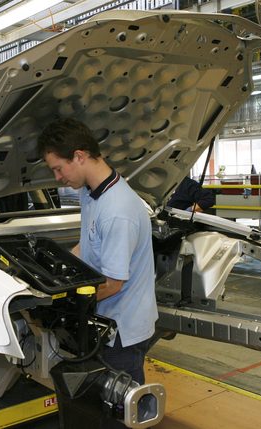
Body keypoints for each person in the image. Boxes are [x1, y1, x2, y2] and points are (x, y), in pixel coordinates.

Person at [37, 118, 158, 384]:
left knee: (117, 408)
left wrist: (63, 304)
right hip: (107, 319)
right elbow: (87, 245)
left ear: (79, 156)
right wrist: (53, 271)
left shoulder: (117, 211)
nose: (58, 178)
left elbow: (113, 284)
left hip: (122, 331)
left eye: (58, 168)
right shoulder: (91, 192)